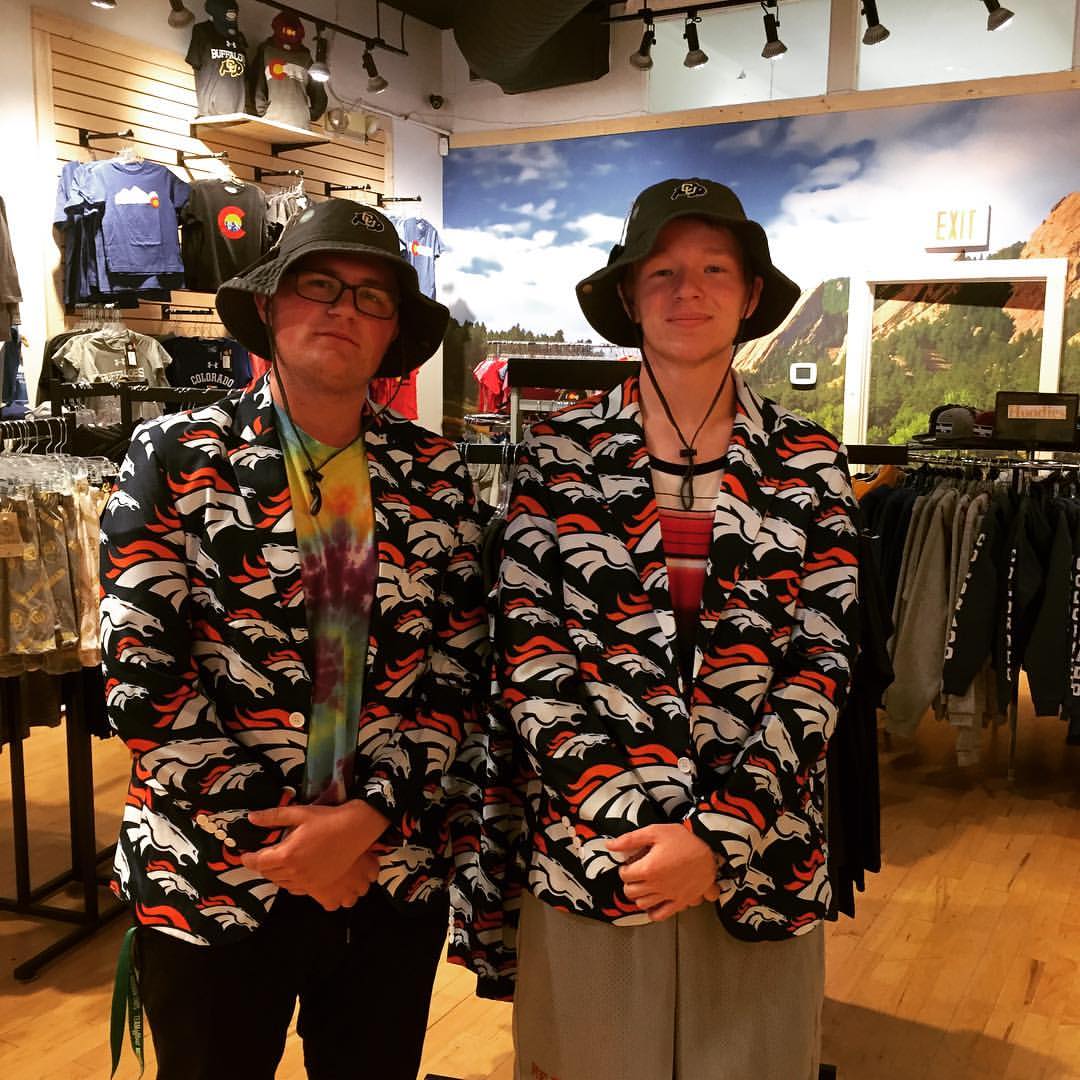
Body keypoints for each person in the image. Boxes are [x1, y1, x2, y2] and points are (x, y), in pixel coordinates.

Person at [450, 178, 861, 1080]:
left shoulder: (810, 460)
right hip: (599, 852)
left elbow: (821, 661)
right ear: (630, 295)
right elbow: (530, 658)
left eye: (714, 269)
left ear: (750, 295)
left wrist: (718, 837)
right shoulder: (558, 456)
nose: (688, 290)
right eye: (663, 271)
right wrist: (635, 826)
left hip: (762, 854)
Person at [101, 199, 488, 1080]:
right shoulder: (174, 456)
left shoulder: (437, 476)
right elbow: (142, 677)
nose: (343, 310)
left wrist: (365, 820)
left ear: (393, 333)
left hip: (388, 871)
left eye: (371, 297)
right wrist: (296, 845)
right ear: (270, 305)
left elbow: (460, 669)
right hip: (212, 873)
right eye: (319, 285)